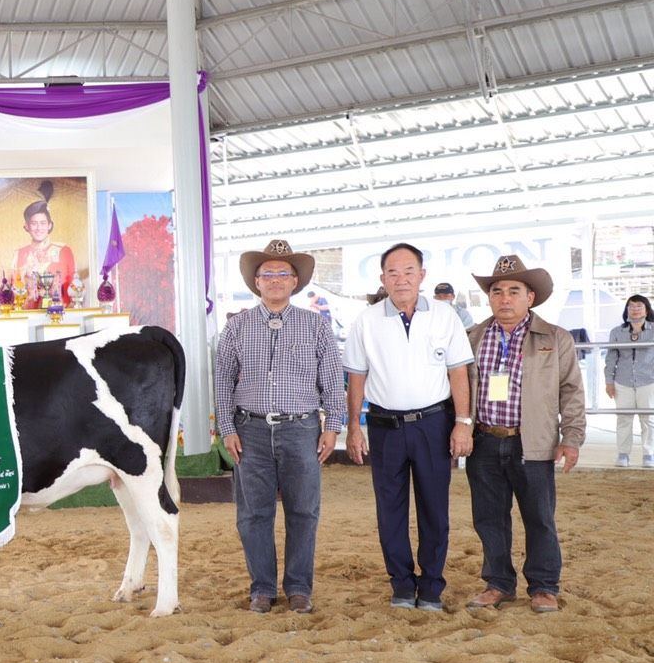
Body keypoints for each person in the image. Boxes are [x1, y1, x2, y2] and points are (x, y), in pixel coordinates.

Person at [215, 239, 347, 615]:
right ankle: (262, 588)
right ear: (256, 282)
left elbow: (331, 379)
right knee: (253, 514)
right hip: (250, 430)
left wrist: (332, 426)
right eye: (267, 273)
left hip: (301, 429)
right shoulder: (236, 327)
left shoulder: (316, 325)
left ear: (295, 282)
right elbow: (222, 380)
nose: (275, 279)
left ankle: (299, 588)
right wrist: (227, 427)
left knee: (303, 511)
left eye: (282, 273)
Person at [343, 243, 475, 611]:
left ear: (422, 275)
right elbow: (356, 377)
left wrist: (462, 422)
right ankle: (401, 584)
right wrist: (353, 426)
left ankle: (431, 587)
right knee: (390, 509)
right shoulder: (366, 320)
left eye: (408, 271)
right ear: (382, 278)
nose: (401, 279)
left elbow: (458, 372)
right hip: (384, 426)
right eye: (393, 273)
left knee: (435, 508)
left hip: (433, 423)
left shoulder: (445, 316)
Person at [464, 256, 586, 614]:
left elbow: (571, 390)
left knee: (539, 517)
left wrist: (571, 437)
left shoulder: (555, 338)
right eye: (497, 291)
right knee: (489, 518)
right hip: (484, 440)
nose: (504, 298)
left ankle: (544, 586)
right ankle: (498, 583)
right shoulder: (473, 337)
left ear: (530, 297)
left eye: (514, 291)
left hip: (533, 441)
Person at [10, 182, 77, 307]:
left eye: (43, 223)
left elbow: (72, 289)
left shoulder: (63, 251)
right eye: (34, 223)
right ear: (27, 226)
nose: (38, 228)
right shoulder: (19, 254)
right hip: (27, 313)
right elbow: (14, 290)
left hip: (59, 312)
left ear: (50, 225)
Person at [605, 294, 653, 468]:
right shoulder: (617, 332)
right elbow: (611, 358)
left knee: (649, 419)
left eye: (639, 306)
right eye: (631, 306)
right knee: (624, 418)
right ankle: (623, 454)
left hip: (649, 380)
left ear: (646, 310)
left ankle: (649, 454)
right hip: (622, 381)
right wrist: (609, 381)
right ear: (627, 310)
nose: (635, 309)